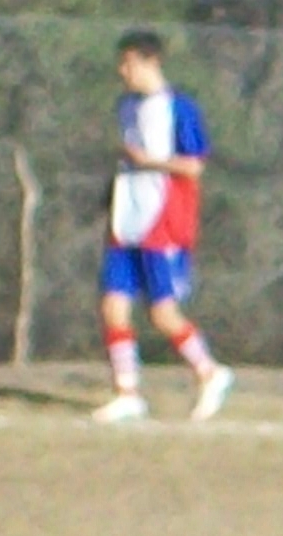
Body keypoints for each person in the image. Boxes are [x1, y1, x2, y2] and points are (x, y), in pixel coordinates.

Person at [94, 32, 231, 426]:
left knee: (163, 313)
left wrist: (149, 162)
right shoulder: (126, 106)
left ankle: (210, 372)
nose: (123, 72)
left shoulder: (179, 108)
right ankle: (127, 393)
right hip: (126, 217)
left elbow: (193, 167)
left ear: (150, 62)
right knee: (113, 305)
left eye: (129, 64)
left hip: (162, 220)